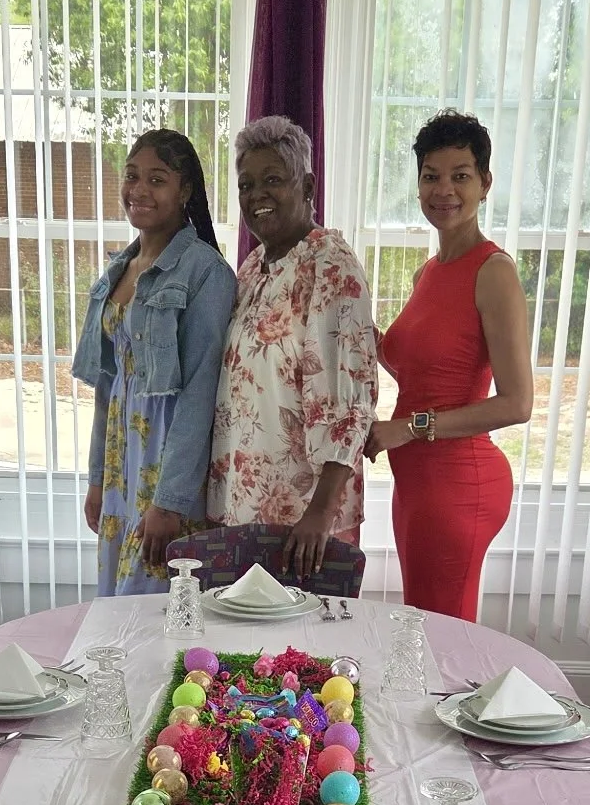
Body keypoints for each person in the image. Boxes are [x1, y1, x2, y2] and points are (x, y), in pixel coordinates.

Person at [369, 110, 534, 621]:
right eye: (431, 176)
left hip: (458, 483)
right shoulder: (429, 272)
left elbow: (517, 403)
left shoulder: (493, 271)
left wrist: (411, 428)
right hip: (417, 483)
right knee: (422, 630)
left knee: (442, 641)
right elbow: (421, 371)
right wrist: (352, 326)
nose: (445, 190)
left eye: (460, 176)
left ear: (485, 183)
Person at [206, 116, 377, 584]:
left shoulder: (332, 267)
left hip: (303, 521)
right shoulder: (254, 266)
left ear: (307, 186)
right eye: (246, 184)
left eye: (273, 180)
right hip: (245, 507)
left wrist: (321, 512)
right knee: (245, 652)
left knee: (299, 652)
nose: (257, 194)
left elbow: (351, 402)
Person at [74, 130, 237, 596]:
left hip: (166, 468)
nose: (139, 190)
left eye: (157, 179)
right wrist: (97, 480)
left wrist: (170, 502)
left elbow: (201, 391)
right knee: (115, 613)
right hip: (120, 471)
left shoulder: (207, 273)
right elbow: (108, 387)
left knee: (155, 608)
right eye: (131, 176)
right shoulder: (118, 272)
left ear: (184, 191)